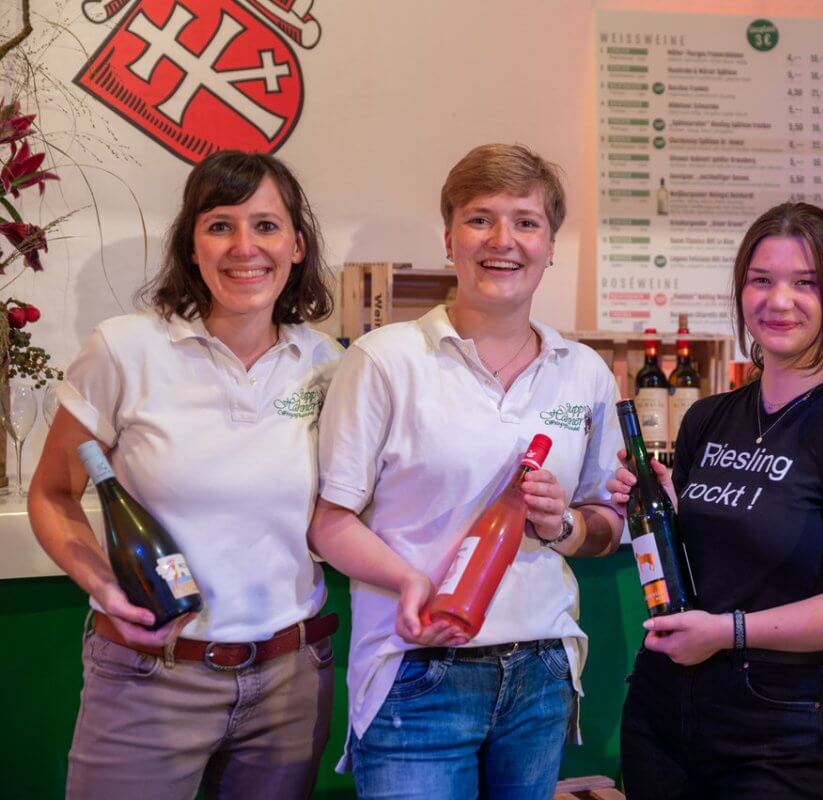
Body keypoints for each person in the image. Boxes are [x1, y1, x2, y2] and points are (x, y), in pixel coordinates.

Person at [308, 143, 624, 800]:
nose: (502, 240)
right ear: (449, 237)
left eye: (526, 221)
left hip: (540, 672)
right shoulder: (385, 359)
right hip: (417, 669)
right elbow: (330, 523)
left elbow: (606, 524)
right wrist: (411, 581)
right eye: (481, 219)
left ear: (550, 243)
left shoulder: (583, 372)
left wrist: (561, 524)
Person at [27, 150, 343, 798]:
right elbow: (54, 492)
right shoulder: (125, 348)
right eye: (220, 225)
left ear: (297, 245)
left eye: (266, 225)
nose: (244, 247)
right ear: (191, 246)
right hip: (149, 674)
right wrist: (101, 583)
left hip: (291, 682)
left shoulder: (326, 363)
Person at [609, 201, 823, 799]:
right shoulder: (709, 417)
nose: (779, 300)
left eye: (805, 283)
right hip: (662, 709)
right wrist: (663, 512)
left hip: (776, 727)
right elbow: (704, 563)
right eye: (761, 280)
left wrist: (728, 632)